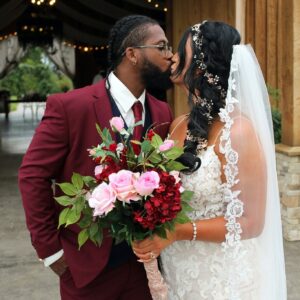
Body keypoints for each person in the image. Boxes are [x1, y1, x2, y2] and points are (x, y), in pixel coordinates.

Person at [18, 15, 173, 300]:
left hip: (145, 269)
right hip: (87, 270)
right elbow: (32, 176)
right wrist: (51, 252)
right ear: (132, 54)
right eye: (161, 47)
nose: (170, 55)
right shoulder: (71, 107)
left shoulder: (163, 112)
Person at [133, 21, 287, 299]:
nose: (174, 57)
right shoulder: (178, 124)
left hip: (223, 279)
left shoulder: (238, 132)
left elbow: (251, 222)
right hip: (180, 273)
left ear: (203, 65)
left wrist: (178, 232)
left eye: (182, 49)